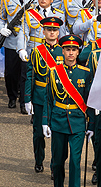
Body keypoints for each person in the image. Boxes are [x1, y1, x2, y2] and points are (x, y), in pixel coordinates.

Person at [42, 34, 92, 187]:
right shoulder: (54, 72)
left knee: (75, 161)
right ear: (62, 51)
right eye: (67, 49)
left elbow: (89, 101)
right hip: (58, 120)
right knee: (57, 161)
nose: (71, 53)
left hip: (77, 121)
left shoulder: (86, 72)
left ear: (78, 52)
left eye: (74, 50)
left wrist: (91, 125)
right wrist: (45, 121)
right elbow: (48, 99)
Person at [24, 16, 64, 173]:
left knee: (58, 135)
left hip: (58, 97)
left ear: (59, 31)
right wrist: (28, 99)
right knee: (39, 133)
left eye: (55, 30)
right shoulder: (36, 52)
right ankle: (38, 160)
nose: (52, 32)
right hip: (40, 98)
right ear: (44, 31)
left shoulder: (64, 51)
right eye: (49, 30)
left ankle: (55, 165)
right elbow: (30, 76)